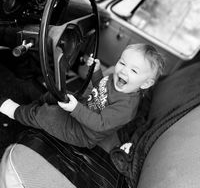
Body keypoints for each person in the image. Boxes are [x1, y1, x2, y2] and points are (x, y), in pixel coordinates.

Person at [0, 43, 165, 150]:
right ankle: (32, 109)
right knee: (54, 94)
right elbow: (101, 86)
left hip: (83, 133)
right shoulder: (118, 80)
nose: (123, 71)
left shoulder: (126, 108)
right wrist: (96, 70)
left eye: (134, 70)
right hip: (83, 106)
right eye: (122, 63)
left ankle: (16, 112)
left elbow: (99, 124)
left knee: (47, 115)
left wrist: (75, 109)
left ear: (145, 84)